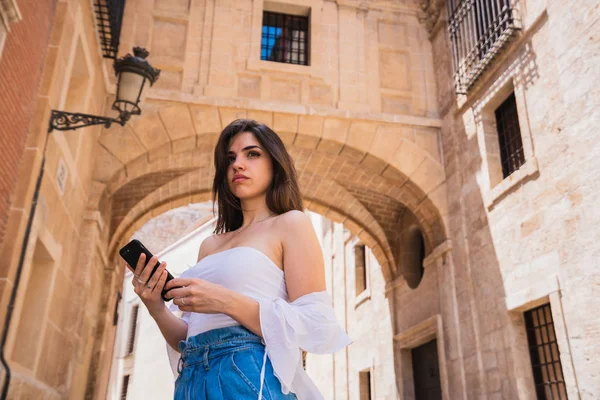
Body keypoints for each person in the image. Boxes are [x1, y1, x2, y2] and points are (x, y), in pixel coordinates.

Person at [126, 119, 352, 400]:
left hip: (248, 371)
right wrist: (155, 307)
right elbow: (188, 336)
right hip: (193, 375)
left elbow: (315, 321)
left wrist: (224, 301)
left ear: (275, 163)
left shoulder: (291, 224)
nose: (237, 164)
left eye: (252, 154)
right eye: (230, 158)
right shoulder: (210, 244)